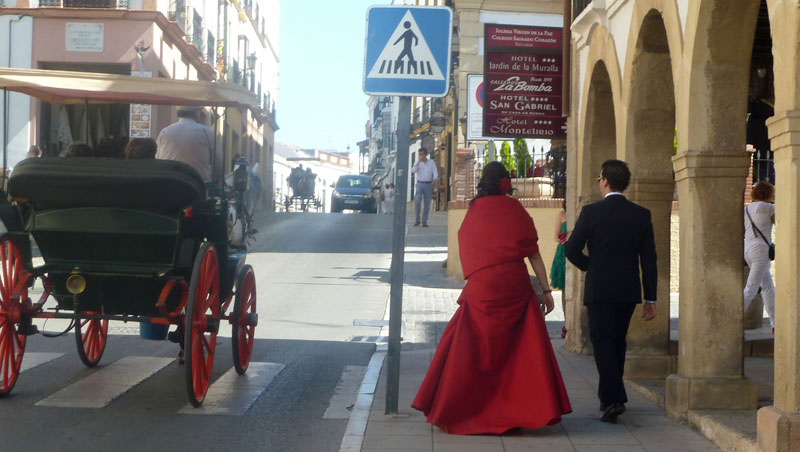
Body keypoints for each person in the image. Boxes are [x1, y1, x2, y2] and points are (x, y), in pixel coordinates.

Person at [412, 161, 572, 434]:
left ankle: (466, 409)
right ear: (505, 183)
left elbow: (466, 243)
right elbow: (533, 253)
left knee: (473, 351)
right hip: (514, 285)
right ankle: (516, 411)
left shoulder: (474, 211)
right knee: (518, 352)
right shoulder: (515, 209)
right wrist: (546, 291)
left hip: (483, 286)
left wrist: (478, 271)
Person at [564, 159, 657, 424]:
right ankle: (610, 399)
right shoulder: (641, 215)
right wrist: (651, 297)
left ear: (604, 180)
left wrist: (590, 267)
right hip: (628, 290)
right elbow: (649, 259)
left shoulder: (591, 212)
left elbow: (571, 249)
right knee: (617, 342)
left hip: (600, 289)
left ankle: (614, 398)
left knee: (603, 343)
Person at [156, 106, 222, 183]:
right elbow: (218, 161)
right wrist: (216, 179)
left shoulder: (165, 132)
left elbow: (158, 158)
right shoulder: (206, 132)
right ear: (197, 114)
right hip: (197, 184)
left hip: (170, 183)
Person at [743, 181, 775, 330]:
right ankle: (730, 319)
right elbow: (781, 223)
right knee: (751, 288)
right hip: (761, 251)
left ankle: (775, 322)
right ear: (768, 194)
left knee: (767, 286)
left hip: (748, 250)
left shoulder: (747, 209)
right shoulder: (769, 208)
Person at [551, 199, 568, 338]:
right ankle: (567, 322)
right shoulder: (562, 214)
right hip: (563, 253)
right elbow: (556, 236)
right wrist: (562, 238)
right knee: (564, 289)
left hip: (575, 250)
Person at [411, 148, 437, 226]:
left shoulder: (431, 162)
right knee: (417, 201)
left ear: (426, 155)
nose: (421, 156)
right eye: (419, 154)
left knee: (427, 204)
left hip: (429, 184)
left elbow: (435, 172)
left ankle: (424, 221)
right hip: (420, 184)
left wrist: (435, 180)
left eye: (422, 154)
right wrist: (418, 162)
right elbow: (413, 171)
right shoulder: (417, 163)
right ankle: (417, 220)